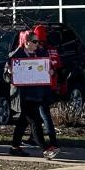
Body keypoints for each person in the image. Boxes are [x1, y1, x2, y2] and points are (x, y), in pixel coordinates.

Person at [5, 29, 60, 159]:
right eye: (34, 41)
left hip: (37, 93)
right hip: (23, 95)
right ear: (26, 42)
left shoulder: (41, 53)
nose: (37, 44)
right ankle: (46, 148)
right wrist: (9, 72)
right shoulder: (15, 55)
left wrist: (51, 72)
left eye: (38, 41)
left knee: (23, 121)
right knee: (35, 121)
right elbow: (6, 77)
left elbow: (50, 68)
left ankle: (15, 147)